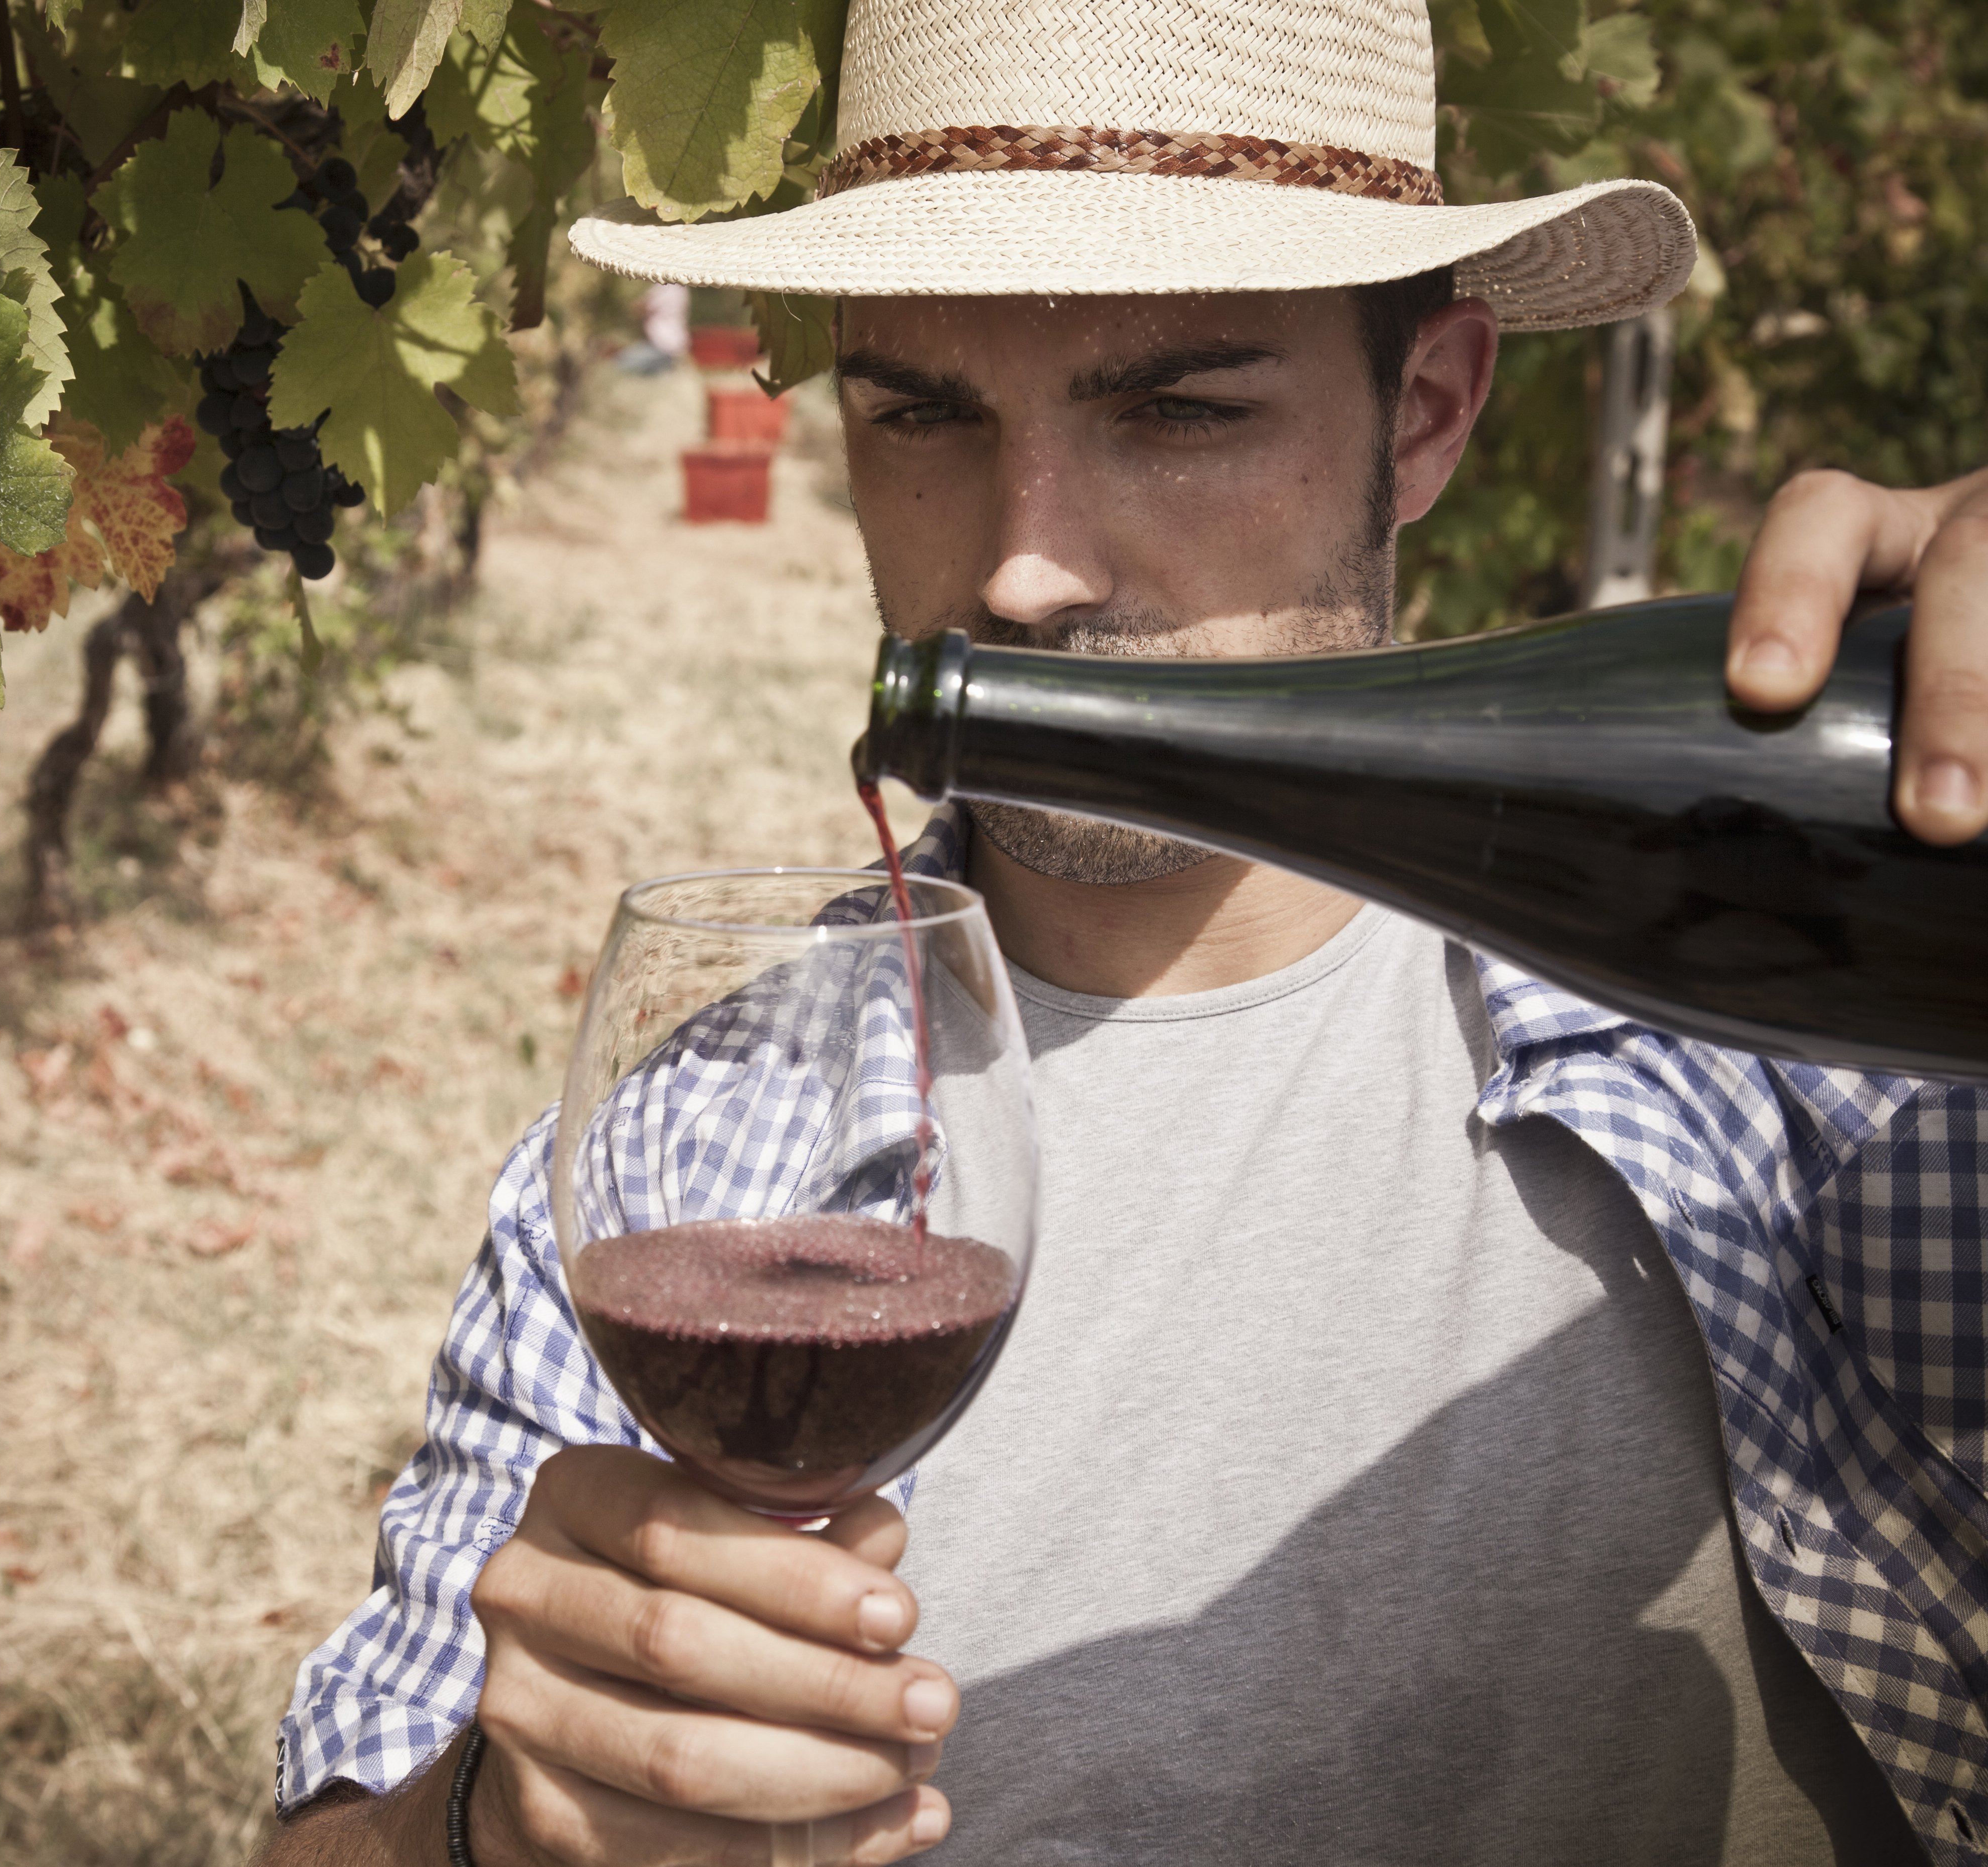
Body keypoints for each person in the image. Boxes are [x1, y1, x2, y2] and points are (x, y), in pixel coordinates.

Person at [263, 1, 1988, 1861]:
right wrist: (485, 1828)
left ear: (1423, 413)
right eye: (917, 411)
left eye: (1177, 409)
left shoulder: (1806, 1031)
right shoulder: (681, 1160)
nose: (1021, 566)